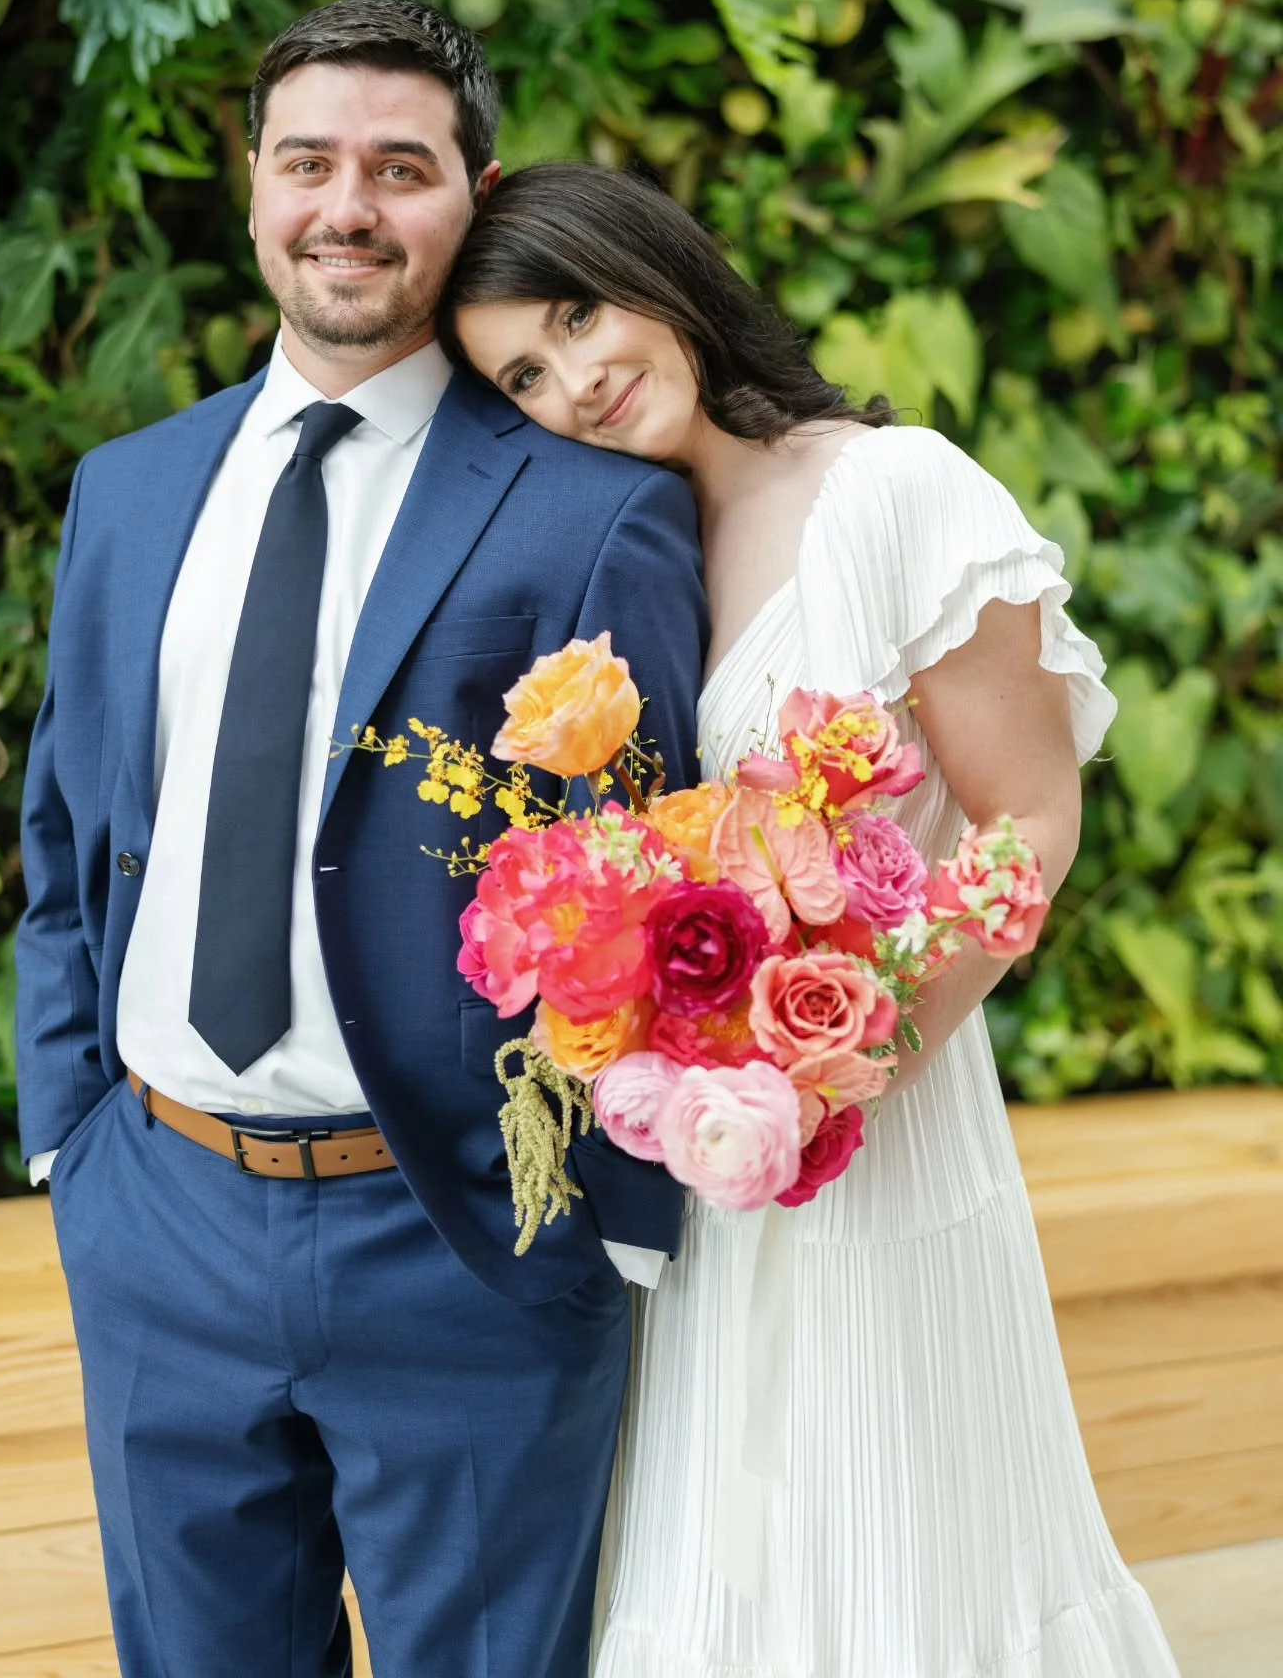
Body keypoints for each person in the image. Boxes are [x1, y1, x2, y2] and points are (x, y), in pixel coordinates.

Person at [15, 6, 706, 1678]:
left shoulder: (592, 504)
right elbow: (69, 823)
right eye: (308, 162)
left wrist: (607, 1221)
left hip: (461, 1242)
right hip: (157, 1217)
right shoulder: (128, 489)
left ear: (476, 194)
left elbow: (657, 880)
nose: (348, 207)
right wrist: (70, 1142)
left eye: (401, 169)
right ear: (254, 184)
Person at [443, 163, 1181, 1678]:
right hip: (705, 1166)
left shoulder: (894, 492)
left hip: (883, 1127)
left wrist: (850, 1066)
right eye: (522, 376)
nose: (575, 383)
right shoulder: (634, 538)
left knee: (901, 1540)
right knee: (728, 1553)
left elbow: (1029, 821)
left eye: (577, 318)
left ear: (653, 266)